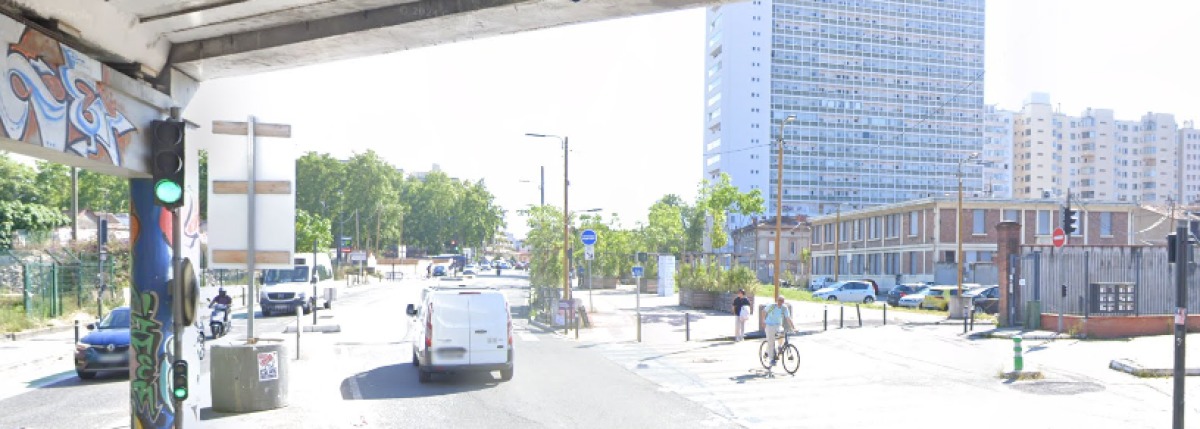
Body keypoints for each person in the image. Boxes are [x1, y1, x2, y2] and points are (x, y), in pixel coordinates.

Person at [762, 296, 792, 366]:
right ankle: (771, 359)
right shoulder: (772, 306)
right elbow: (763, 311)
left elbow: (788, 318)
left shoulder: (784, 308)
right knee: (771, 342)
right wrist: (763, 321)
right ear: (777, 300)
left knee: (782, 333)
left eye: (782, 301)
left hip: (778, 325)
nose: (780, 302)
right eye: (779, 300)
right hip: (769, 325)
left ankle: (779, 347)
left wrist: (793, 327)